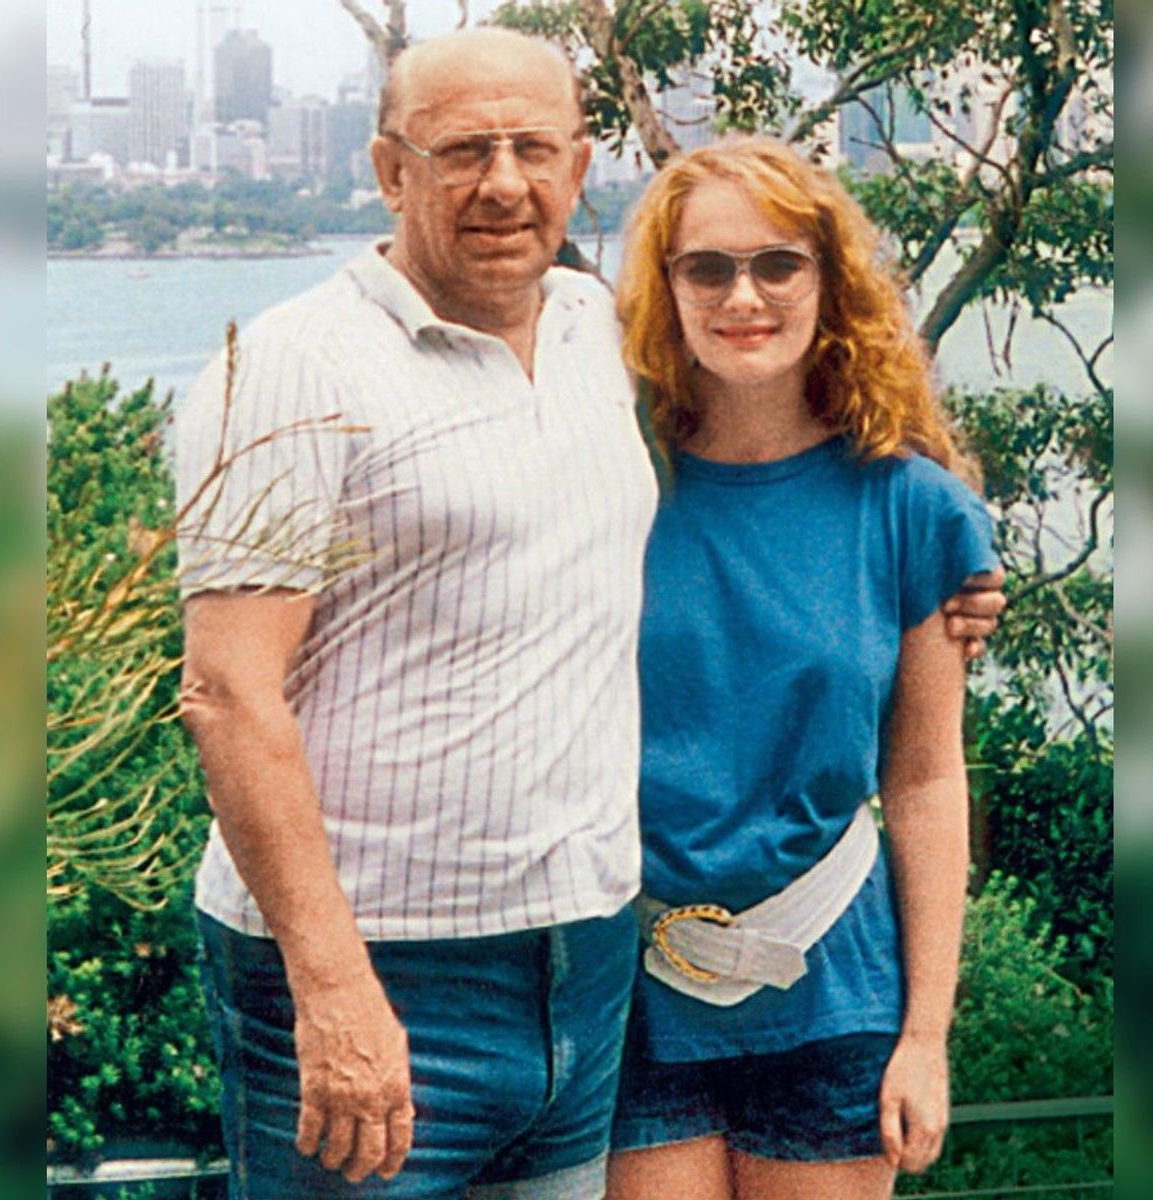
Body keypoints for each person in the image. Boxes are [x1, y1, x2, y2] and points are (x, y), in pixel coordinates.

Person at [173, 29, 1002, 1200]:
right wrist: (334, 986)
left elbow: (917, 756)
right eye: (463, 151)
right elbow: (225, 691)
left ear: (577, 167)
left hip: (600, 972)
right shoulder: (299, 366)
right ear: (390, 171)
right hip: (408, 972)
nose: (502, 183)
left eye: (533, 149)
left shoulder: (589, 346)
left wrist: (955, 571)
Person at [604, 137, 998, 1200]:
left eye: (778, 263)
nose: (744, 297)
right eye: (707, 268)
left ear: (828, 282)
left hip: (834, 988)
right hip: (628, 991)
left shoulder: (913, 508)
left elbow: (925, 778)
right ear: (665, 287)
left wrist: (926, 1037)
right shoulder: (607, 484)